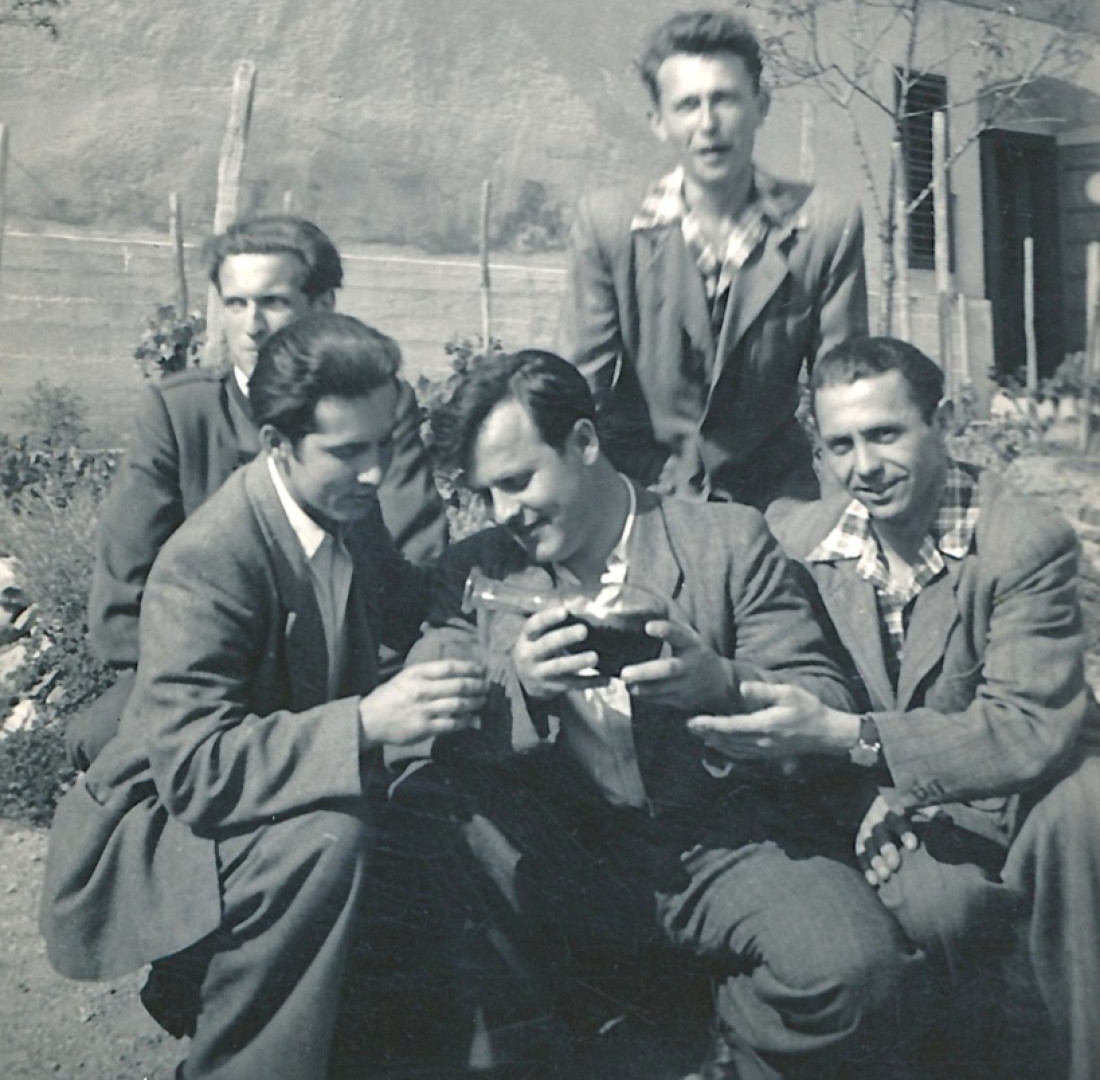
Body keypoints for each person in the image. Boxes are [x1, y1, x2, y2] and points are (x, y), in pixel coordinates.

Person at [389, 349, 924, 1080]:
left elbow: (822, 696)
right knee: (433, 830)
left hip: (720, 844)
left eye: (518, 481)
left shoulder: (725, 541)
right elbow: (424, 693)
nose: (504, 512)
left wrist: (719, 684)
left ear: (583, 443)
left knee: (855, 970)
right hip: (564, 860)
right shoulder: (480, 570)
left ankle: (716, 1044)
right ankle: (604, 1031)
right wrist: (518, 685)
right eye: (487, 494)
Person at [41, 313, 488, 1080]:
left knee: (438, 806)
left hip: (260, 800)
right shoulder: (210, 561)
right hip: (158, 826)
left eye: (384, 446)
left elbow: (410, 604)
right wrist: (367, 722)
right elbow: (194, 773)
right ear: (277, 444)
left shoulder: (344, 506)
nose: (377, 472)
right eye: (349, 452)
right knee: (325, 838)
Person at [689, 336, 1100, 1080]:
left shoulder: (1022, 543)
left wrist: (860, 743)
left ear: (940, 423)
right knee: (936, 903)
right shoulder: (798, 539)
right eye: (840, 444)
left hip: (1029, 785)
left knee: (1085, 817)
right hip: (888, 790)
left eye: (885, 434)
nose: (864, 468)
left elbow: (1025, 730)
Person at [71, 213, 445, 767]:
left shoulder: (371, 411)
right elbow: (122, 593)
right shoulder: (182, 412)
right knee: (112, 743)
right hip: (208, 667)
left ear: (322, 307)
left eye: (273, 302)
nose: (252, 326)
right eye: (235, 303)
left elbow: (412, 562)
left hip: (344, 662)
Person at [557, 10, 867, 512]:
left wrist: (840, 526)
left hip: (773, 502)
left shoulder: (825, 226)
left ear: (760, 105)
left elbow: (847, 394)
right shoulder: (610, 225)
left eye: (724, 99)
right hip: (643, 498)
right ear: (659, 122)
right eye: (687, 105)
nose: (708, 124)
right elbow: (575, 391)